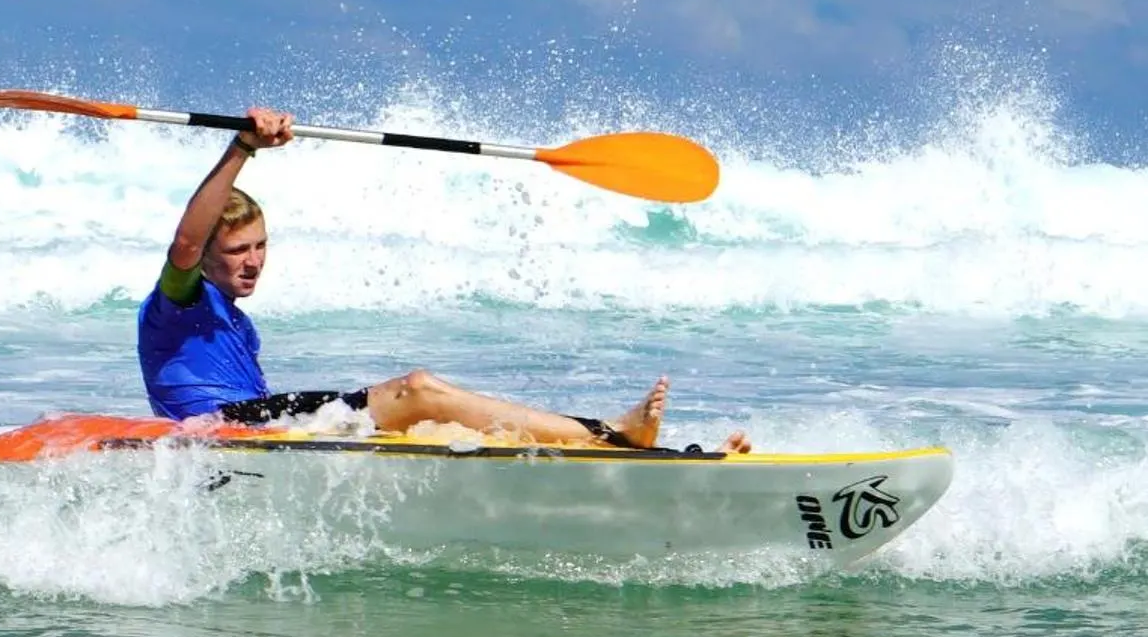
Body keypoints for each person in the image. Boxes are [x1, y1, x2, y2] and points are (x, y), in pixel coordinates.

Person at [137, 106, 751, 451]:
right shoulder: (178, 303)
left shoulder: (235, 322)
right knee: (416, 390)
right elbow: (186, 241)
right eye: (238, 250)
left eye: (261, 246)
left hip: (257, 424)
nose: (253, 261)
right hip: (223, 429)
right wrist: (242, 147)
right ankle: (610, 433)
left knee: (434, 424)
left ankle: (611, 450)